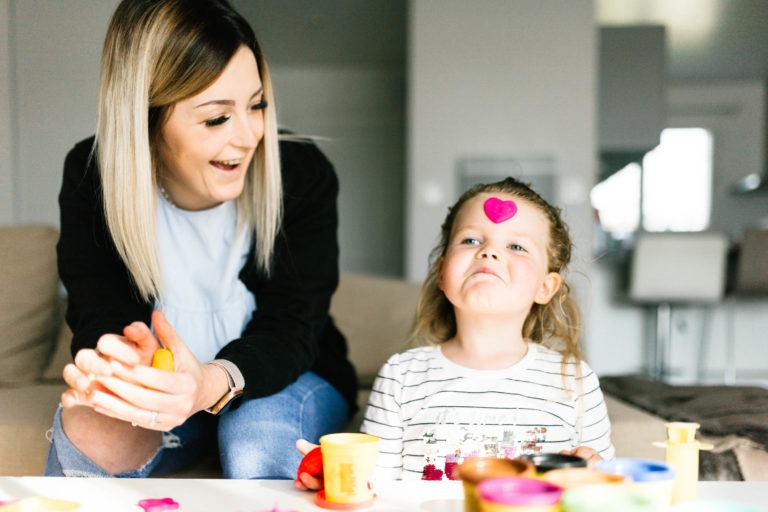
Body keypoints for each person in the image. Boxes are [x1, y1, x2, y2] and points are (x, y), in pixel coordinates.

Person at [46, 0, 357, 479]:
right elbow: (98, 317)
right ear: (146, 118)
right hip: (169, 386)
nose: (250, 135)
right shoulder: (93, 174)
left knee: (255, 436)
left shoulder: (301, 172)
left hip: (285, 375)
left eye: (256, 105)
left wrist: (210, 384)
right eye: (217, 118)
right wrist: (119, 374)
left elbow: (294, 326)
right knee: (89, 427)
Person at [295, 177, 614, 487]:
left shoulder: (574, 380)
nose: (489, 252)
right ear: (443, 272)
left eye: (516, 246)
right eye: (471, 240)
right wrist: (337, 474)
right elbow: (374, 487)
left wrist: (596, 475)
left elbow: (606, 486)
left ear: (546, 287)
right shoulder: (400, 375)